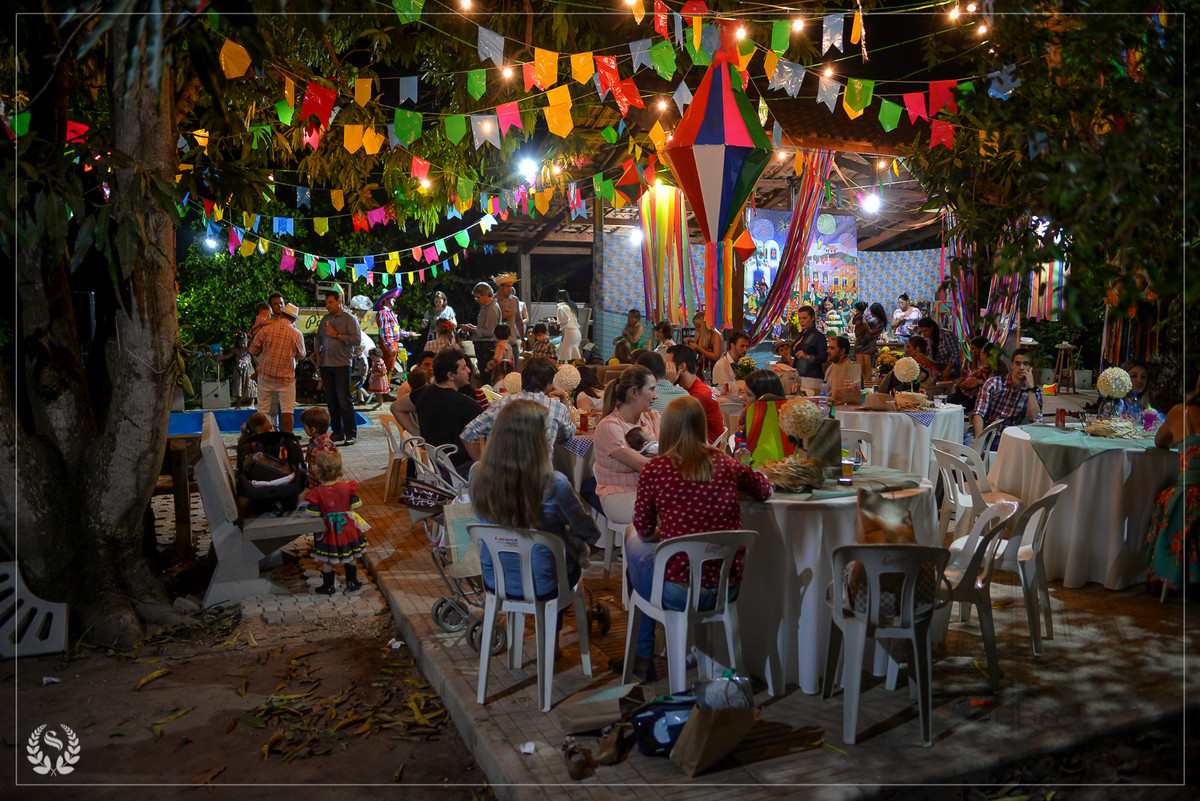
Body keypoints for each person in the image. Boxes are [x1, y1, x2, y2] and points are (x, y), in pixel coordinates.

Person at [625, 396, 772, 678]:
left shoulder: (654, 469)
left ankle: (642, 654)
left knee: (633, 540)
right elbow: (764, 490)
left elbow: (644, 529)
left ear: (667, 429)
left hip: (679, 589)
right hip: (726, 586)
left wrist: (665, 534)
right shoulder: (726, 464)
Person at [470, 400, 601, 655]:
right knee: (561, 557)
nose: (548, 437)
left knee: (552, 553)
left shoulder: (477, 473)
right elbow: (588, 530)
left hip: (496, 580)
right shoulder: (555, 483)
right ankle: (551, 646)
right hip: (544, 584)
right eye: (545, 431)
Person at [1144, 375, 1200, 594]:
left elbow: (1160, 442)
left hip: (1188, 497)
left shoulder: (1180, 413)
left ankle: (1161, 574)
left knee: (1168, 497)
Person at [391, 348, 483, 477]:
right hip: (458, 472)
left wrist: (420, 434)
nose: (469, 370)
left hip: (434, 468)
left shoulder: (424, 392)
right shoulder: (465, 404)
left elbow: (396, 407)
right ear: (451, 375)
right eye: (464, 368)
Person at [461, 356, 576, 459]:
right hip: (540, 474)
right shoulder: (558, 408)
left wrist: (482, 463)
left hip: (504, 474)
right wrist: (563, 398)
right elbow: (570, 432)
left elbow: (468, 433)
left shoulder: (501, 404)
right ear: (548, 384)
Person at [592, 364, 660, 527]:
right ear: (634, 392)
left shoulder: (652, 417)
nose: (656, 396)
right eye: (651, 389)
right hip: (618, 496)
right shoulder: (609, 426)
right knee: (674, 508)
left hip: (650, 492)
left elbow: (671, 450)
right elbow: (648, 466)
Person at [304, 451, 369, 595]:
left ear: (318, 471)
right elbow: (356, 504)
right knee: (351, 555)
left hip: (330, 528)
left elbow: (313, 512)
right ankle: (352, 582)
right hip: (348, 527)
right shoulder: (347, 486)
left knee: (328, 559)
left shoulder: (317, 492)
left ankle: (328, 586)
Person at [248, 301, 306, 434]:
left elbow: (253, 350)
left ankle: (263, 437)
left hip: (265, 377)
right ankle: (287, 438)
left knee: (263, 409)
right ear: (294, 319)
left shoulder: (265, 330)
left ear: (281, 315)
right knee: (287, 410)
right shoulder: (297, 334)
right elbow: (302, 355)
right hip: (286, 379)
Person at [314, 291, 361, 446]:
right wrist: (317, 353)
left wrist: (337, 335)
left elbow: (356, 340)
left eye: (330, 302)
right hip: (326, 364)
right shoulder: (325, 319)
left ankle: (350, 433)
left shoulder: (349, 319)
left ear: (339, 301)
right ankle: (337, 431)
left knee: (344, 400)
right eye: (326, 302)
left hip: (342, 364)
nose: (327, 305)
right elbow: (319, 337)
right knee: (331, 400)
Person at [972, 348, 1043, 442]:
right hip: (987, 434)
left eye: (1025, 364)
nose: (1021, 367)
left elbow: (1035, 419)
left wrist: (1031, 389)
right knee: (965, 446)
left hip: (1012, 439)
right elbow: (979, 412)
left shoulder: (1035, 392)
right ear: (1012, 365)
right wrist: (979, 438)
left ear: (1031, 368)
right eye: (1017, 363)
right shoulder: (994, 383)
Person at [665, 345, 724, 443]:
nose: (666, 371)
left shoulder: (699, 395)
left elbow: (671, 421)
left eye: (668, 365)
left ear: (682, 367)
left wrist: (667, 383)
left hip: (704, 448)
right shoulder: (695, 386)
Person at [946, 336, 996, 413]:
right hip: (965, 396)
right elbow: (973, 374)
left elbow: (969, 385)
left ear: (984, 353)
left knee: (944, 404)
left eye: (973, 349)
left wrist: (959, 383)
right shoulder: (983, 366)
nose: (972, 351)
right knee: (944, 401)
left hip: (971, 399)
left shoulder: (987, 369)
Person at [460, 282, 500, 374]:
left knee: (486, 376)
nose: (477, 300)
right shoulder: (486, 307)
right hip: (484, 346)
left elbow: (488, 332)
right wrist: (472, 327)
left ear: (485, 295)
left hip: (487, 347)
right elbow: (483, 327)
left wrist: (470, 329)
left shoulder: (491, 309)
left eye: (478, 297)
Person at [790, 305, 828, 392]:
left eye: (804, 318)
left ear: (812, 318)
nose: (801, 321)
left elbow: (824, 357)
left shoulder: (818, 336)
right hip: (799, 376)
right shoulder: (801, 335)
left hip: (812, 378)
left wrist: (807, 356)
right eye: (800, 318)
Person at [300, 406, 337, 488]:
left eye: (304, 426)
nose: (303, 429)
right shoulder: (314, 442)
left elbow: (329, 472)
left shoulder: (325, 448)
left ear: (313, 430)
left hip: (321, 487)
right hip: (313, 483)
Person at [218, 330, 256, 409]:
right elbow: (228, 356)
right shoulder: (235, 349)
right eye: (240, 342)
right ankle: (238, 405)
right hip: (238, 371)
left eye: (244, 342)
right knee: (238, 386)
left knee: (251, 385)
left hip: (249, 370)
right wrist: (221, 357)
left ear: (248, 341)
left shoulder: (250, 349)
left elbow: (255, 358)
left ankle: (252, 404)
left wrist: (259, 364)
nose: (242, 344)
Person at [493, 273, 525, 361]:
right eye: (507, 286)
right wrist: (502, 316)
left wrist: (523, 339)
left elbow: (519, 320)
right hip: (498, 343)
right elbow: (489, 322)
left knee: (515, 369)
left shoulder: (515, 300)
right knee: (500, 368)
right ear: (500, 286)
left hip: (513, 341)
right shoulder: (493, 300)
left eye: (511, 286)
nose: (510, 288)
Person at [853, 301, 885, 383]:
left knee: (859, 375)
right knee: (868, 374)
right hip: (871, 349)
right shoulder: (882, 323)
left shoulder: (872, 321)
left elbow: (858, 334)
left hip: (862, 348)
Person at [823, 335, 862, 402]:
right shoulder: (830, 368)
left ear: (842, 351)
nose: (828, 351)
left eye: (832, 348)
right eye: (828, 348)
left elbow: (849, 395)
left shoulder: (851, 370)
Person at [685, 311, 722, 380]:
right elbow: (696, 350)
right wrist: (690, 343)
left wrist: (699, 349)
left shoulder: (715, 336)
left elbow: (716, 356)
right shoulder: (698, 333)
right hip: (700, 368)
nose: (696, 329)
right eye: (695, 327)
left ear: (704, 326)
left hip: (712, 369)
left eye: (698, 327)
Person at [375, 291, 402, 378]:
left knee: (389, 368)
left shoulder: (390, 312)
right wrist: (390, 347)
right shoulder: (383, 313)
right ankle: (383, 385)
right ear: (386, 300)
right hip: (389, 344)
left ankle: (386, 384)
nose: (394, 300)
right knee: (386, 368)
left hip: (393, 343)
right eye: (392, 298)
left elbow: (395, 329)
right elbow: (384, 332)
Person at [556, 290, 582, 362]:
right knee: (571, 356)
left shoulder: (561, 307)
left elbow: (564, 321)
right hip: (577, 333)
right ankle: (571, 368)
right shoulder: (572, 305)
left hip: (569, 333)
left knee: (562, 356)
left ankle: (561, 369)